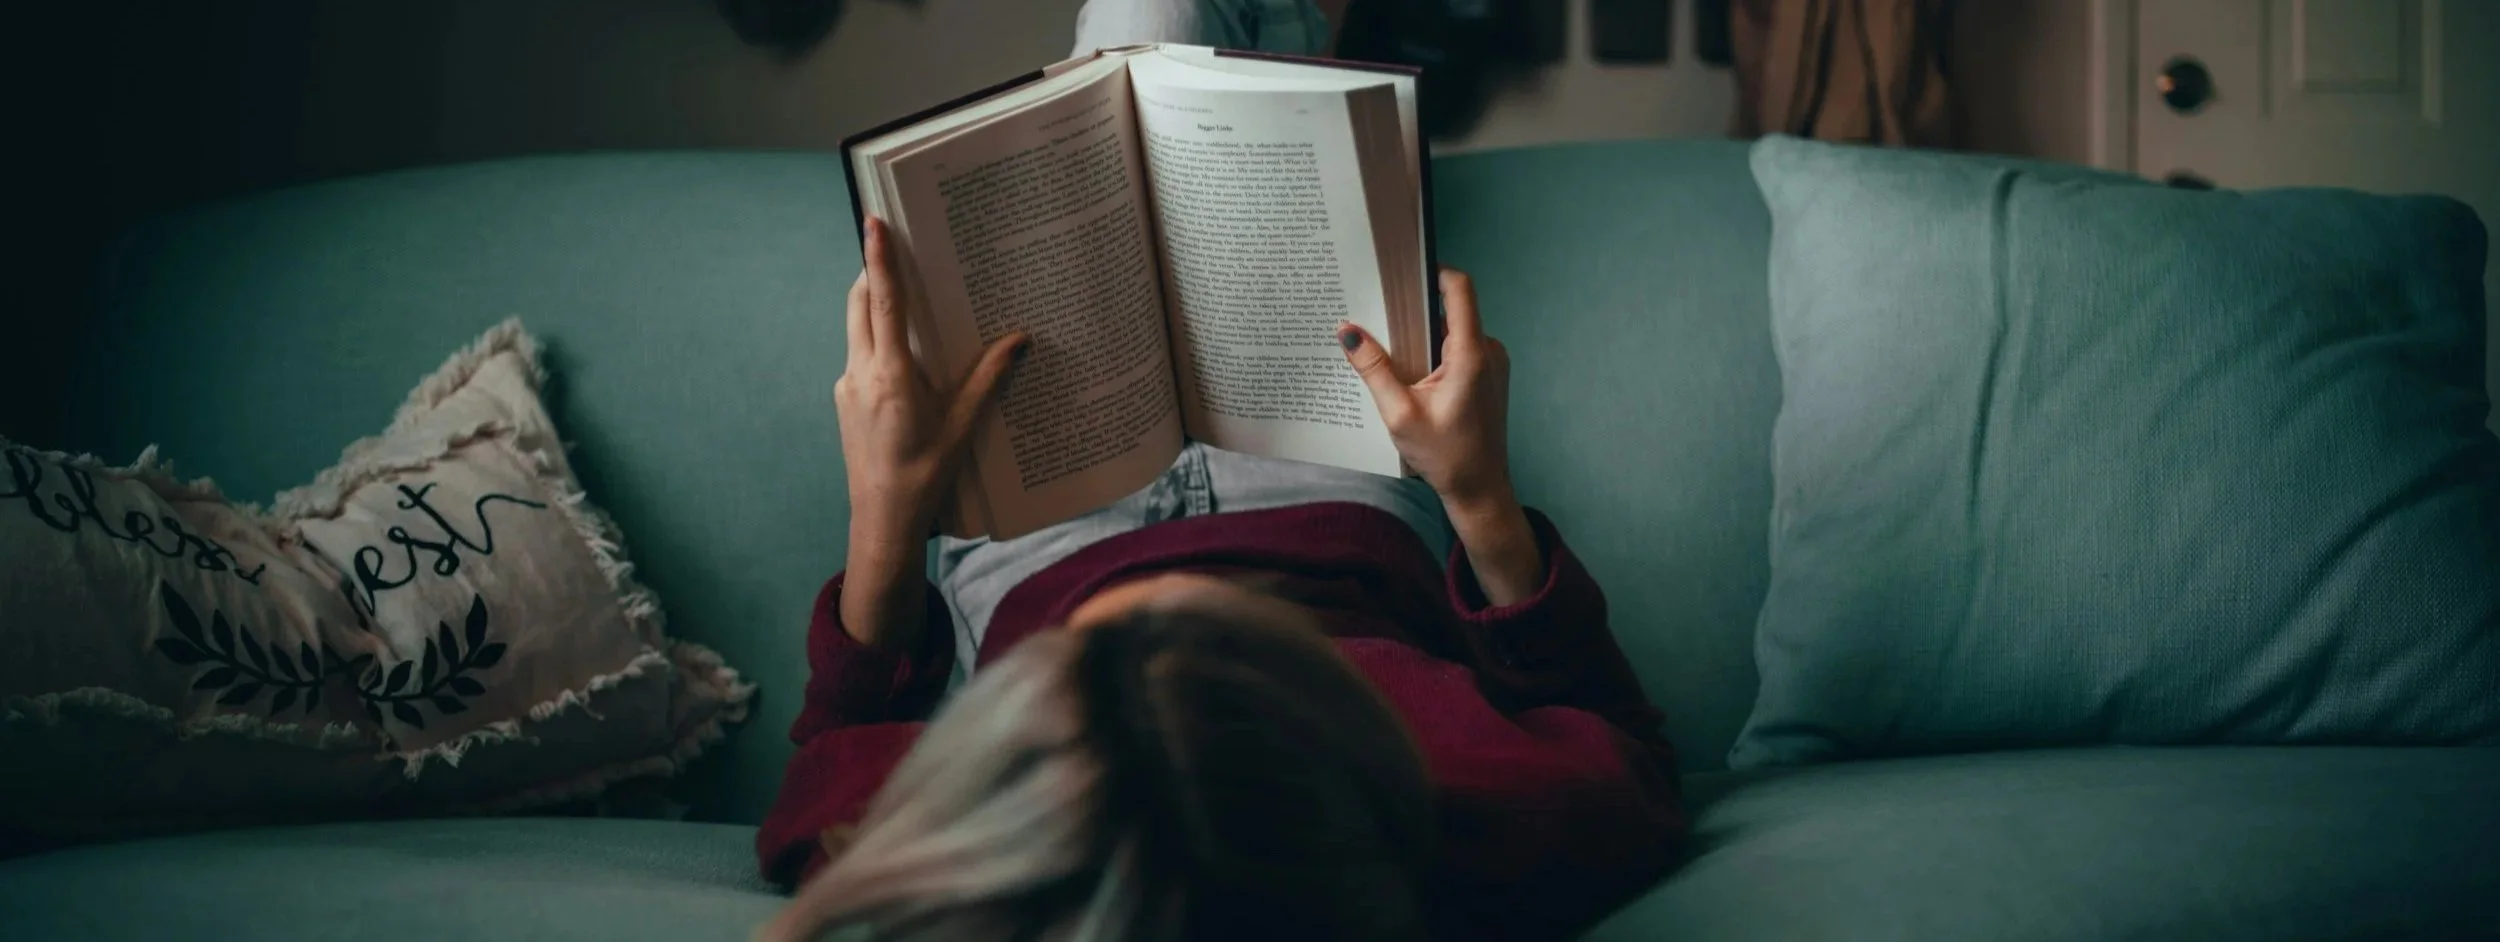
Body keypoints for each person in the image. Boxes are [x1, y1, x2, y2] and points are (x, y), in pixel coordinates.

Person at [750, 217, 1685, 942]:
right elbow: (1626, 743)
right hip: (1323, 503)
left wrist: (885, 508)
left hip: (1042, 540)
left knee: (1142, 32)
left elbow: (837, 750)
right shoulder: (1475, 824)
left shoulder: (979, 857)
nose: (1182, 607)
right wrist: (1479, 493)